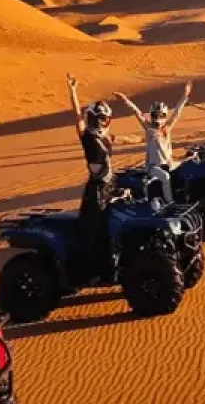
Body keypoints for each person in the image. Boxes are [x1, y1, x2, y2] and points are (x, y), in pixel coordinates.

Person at [67, 73, 116, 280]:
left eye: (107, 118)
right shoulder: (87, 137)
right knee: (93, 231)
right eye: (102, 118)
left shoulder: (106, 138)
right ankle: (88, 271)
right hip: (96, 190)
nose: (105, 122)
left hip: (109, 186)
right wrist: (73, 91)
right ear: (95, 118)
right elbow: (76, 117)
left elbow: (128, 138)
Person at [114, 81, 192, 205]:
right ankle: (170, 202)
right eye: (155, 115)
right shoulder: (149, 129)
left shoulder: (167, 128)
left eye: (161, 116)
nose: (158, 119)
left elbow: (177, 112)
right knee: (166, 178)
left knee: (188, 166)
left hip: (168, 163)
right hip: (153, 167)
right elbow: (137, 112)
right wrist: (125, 100)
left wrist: (185, 95)